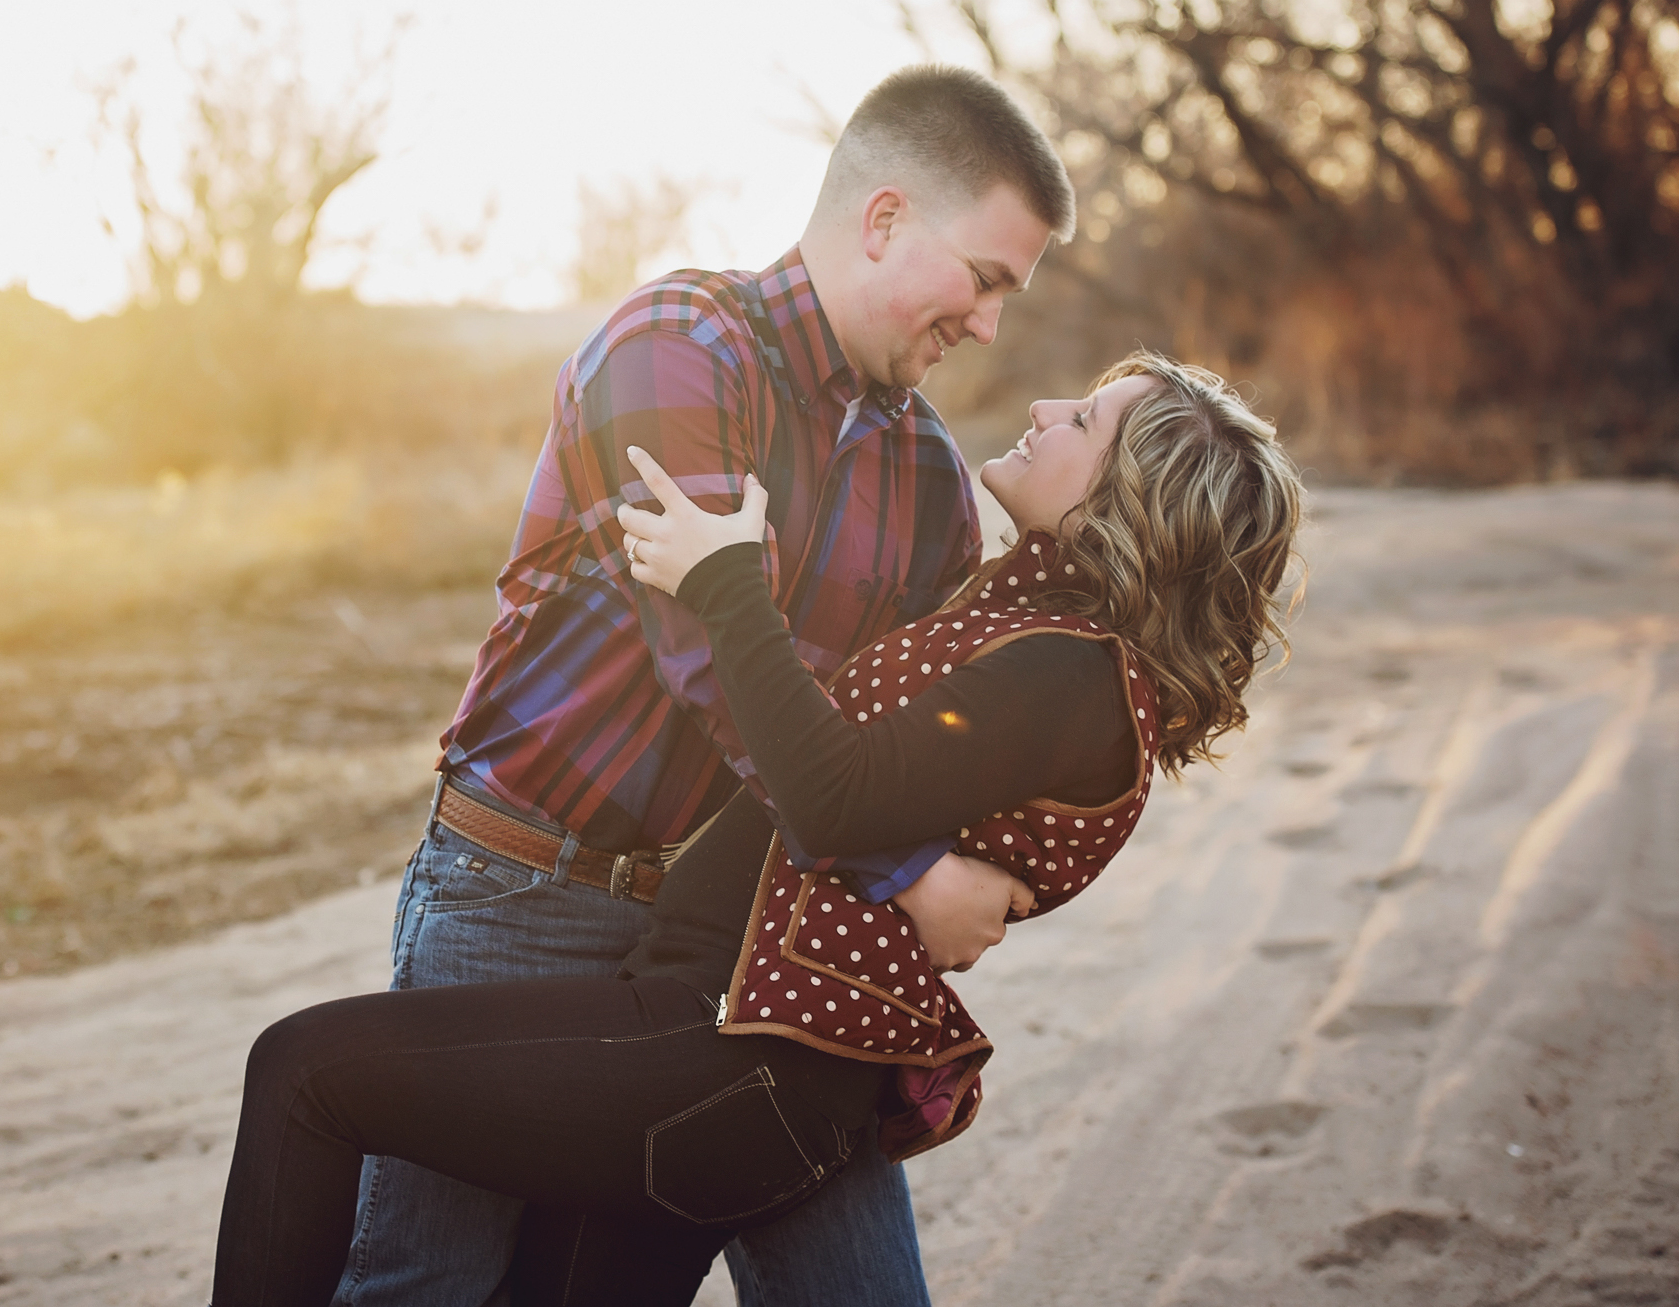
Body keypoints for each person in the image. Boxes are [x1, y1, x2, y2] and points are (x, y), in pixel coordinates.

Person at [210, 351, 1308, 1306]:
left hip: (728, 1053)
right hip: (739, 1054)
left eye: (1085, 422)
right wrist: (917, 867)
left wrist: (730, 585)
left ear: (1133, 501)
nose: (1047, 406)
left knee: (306, 1071)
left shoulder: (1071, 674)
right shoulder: (1036, 633)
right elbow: (883, 796)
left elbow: (833, 795)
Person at [328, 65, 1075, 1307]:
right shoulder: (679, 347)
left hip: (747, 940)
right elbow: (717, 667)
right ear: (884, 220)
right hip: (523, 896)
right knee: (429, 1284)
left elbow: (900, 736)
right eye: (987, 278)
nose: (991, 325)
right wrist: (908, 872)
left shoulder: (936, 481)